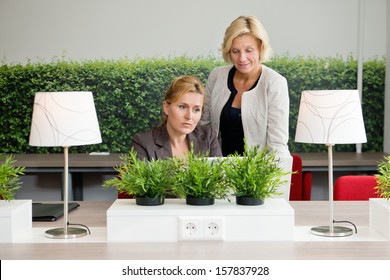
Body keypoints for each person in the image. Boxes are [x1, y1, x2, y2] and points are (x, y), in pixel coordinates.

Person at [200, 15, 290, 158]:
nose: (242, 58)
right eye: (235, 51)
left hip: (257, 174)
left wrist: (272, 178)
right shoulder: (216, 76)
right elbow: (203, 128)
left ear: (260, 48)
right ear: (228, 51)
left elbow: (277, 144)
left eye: (249, 50)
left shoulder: (275, 83)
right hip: (217, 170)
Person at [131, 75, 222, 160]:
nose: (189, 116)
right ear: (166, 107)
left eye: (196, 109)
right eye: (182, 107)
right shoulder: (143, 143)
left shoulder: (208, 137)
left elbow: (221, 176)